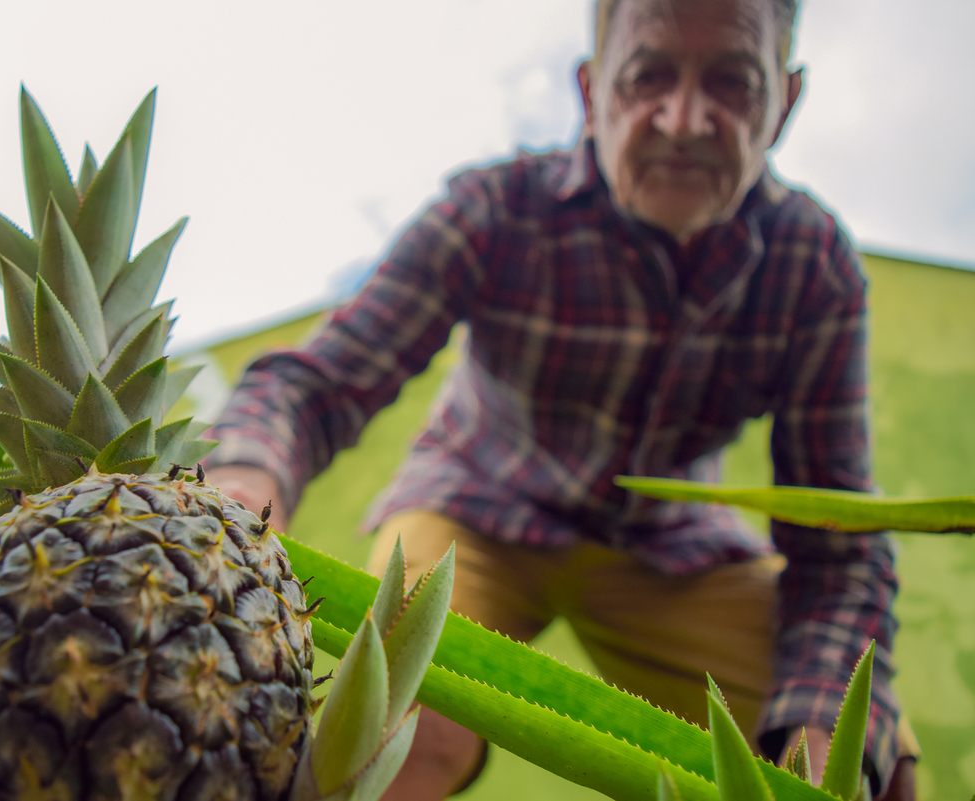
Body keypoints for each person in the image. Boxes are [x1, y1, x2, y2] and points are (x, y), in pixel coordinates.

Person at [204, 0, 918, 797]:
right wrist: (235, 495)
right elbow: (319, 382)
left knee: (868, 762)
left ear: (783, 104)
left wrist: (822, 736)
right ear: (591, 89)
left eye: (732, 82)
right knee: (397, 727)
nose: (684, 120)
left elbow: (837, 535)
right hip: (472, 509)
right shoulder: (495, 209)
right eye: (648, 76)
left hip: (668, 543)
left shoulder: (812, 266)